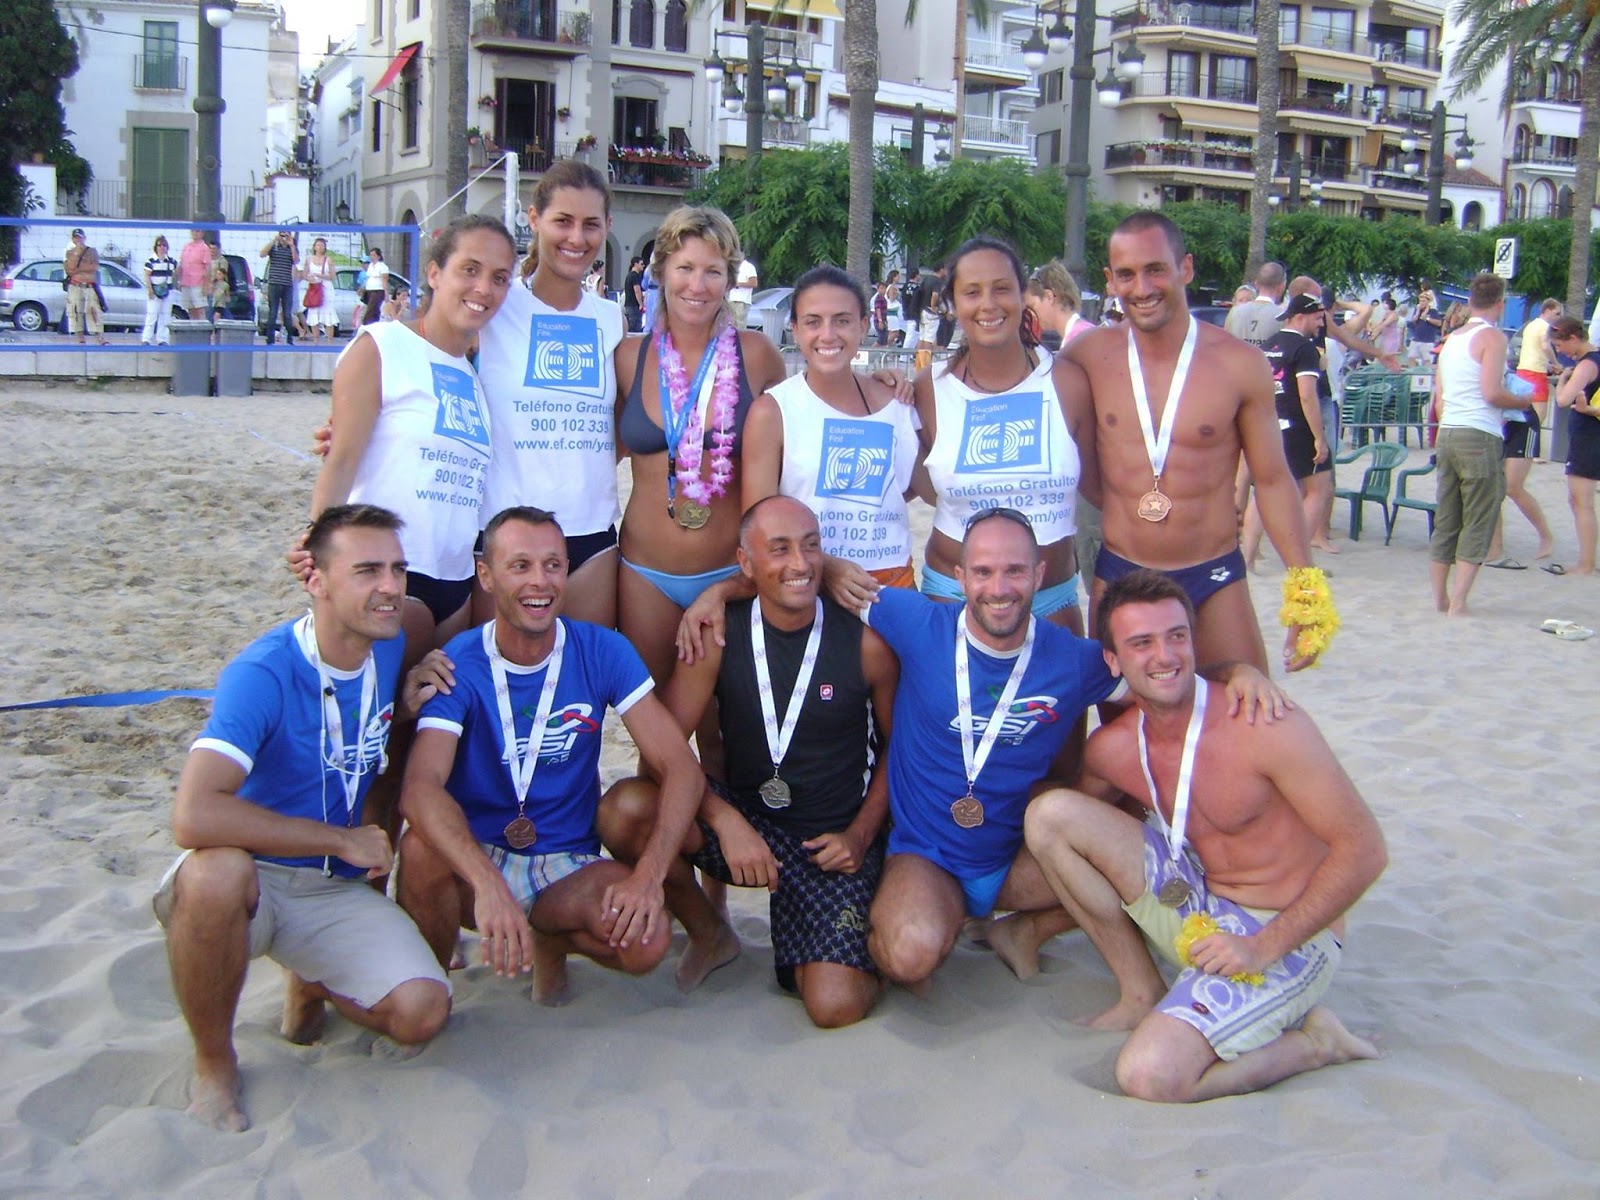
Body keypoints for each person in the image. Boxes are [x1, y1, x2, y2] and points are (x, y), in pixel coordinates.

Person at [860, 510, 1276, 990]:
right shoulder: (918, 621)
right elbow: (818, 582)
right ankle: (932, 916)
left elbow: (1164, 682)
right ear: (959, 578)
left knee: (1127, 860)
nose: (999, 587)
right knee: (909, 955)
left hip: (1023, 858)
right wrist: (829, 568)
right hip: (929, 855)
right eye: (983, 572)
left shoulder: (1075, 659)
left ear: (1038, 574)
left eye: (1015, 570)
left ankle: (1024, 929)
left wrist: (1235, 672)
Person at [1024, 569, 1385, 1102]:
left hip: (1283, 931)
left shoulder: (1263, 724)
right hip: (1196, 894)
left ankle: (1317, 1042)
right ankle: (1138, 988)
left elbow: (1365, 849)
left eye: (1176, 636)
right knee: (1050, 814)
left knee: (1150, 1076)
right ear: (1113, 662)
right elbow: (1072, 841)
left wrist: (1261, 948)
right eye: (1141, 643)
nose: (1164, 656)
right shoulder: (1115, 748)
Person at [154, 504, 454, 1132]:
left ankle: (312, 977)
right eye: (367, 570)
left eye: (398, 569)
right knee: (213, 876)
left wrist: (404, 704)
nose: (390, 587)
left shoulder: (392, 642)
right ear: (315, 579)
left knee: (423, 1011)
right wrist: (340, 838)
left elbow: (354, 737)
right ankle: (214, 1062)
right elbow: (193, 814)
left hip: (328, 889)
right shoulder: (262, 672)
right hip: (253, 882)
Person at [606, 497, 899, 1024]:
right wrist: (725, 818)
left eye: (811, 546)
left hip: (831, 841)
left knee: (834, 1006)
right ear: (746, 564)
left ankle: (845, 935)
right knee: (626, 808)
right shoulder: (717, 635)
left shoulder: (865, 645)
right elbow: (664, 754)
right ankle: (710, 931)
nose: (800, 564)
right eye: (780, 549)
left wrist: (859, 835)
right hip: (747, 825)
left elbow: (898, 754)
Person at [396, 506, 705, 1004]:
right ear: (486, 575)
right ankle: (434, 990)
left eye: (553, 565)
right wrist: (487, 885)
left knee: (646, 943)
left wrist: (647, 879)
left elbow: (681, 769)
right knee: (418, 850)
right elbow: (419, 788)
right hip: (479, 856)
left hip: (565, 859)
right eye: (520, 566)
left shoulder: (602, 649)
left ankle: (548, 938)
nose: (540, 582)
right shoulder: (458, 661)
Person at [1066, 211, 1327, 674]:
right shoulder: (1087, 358)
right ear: (1110, 281)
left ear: (1185, 268)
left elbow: (1271, 479)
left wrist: (1306, 591)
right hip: (1122, 572)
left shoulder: (1239, 364)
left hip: (1212, 574)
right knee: (1126, 735)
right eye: (1126, 274)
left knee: (1246, 722)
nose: (1141, 288)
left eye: (1155, 269)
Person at [307, 215, 517, 663]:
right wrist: (318, 548)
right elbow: (340, 463)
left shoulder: (475, 374)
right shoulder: (382, 346)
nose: (484, 288)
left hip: (455, 583)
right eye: (470, 269)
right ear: (435, 273)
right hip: (392, 575)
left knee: (435, 726)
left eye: (499, 278)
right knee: (386, 726)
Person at [614, 205, 787, 684]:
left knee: (719, 736)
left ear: (729, 280)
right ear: (662, 269)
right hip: (644, 573)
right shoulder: (628, 357)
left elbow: (813, 415)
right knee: (650, 725)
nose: (697, 285)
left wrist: (887, 384)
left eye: (713, 271)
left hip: (729, 575)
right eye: (685, 267)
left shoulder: (758, 356)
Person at [915, 234, 1093, 634]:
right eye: (971, 292)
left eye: (1002, 289)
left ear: (1024, 295)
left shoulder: (1069, 381)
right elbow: (908, 485)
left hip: (1050, 598)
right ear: (953, 304)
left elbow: (1105, 491)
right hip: (952, 595)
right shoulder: (927, 391)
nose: (988, 304)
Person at [481, 161, 629, 628]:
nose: (576, 237)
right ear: (534, 219)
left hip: (591, 534)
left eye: (590, 224)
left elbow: (621, 427)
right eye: (562, 221)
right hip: (509, 535)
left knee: (580, 689)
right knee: (498, 687)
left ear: (607, 227)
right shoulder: (493, 309)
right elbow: (422, 359)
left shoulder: (611, 318)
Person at [740, 265, 922, 592]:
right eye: (813, 322)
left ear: (863, 325)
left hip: (892, 582)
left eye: (842, 320)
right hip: (808, 585)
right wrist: (827, 565)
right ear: (794, 329)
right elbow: (759, 523)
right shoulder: (773, 411)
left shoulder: (895, 401)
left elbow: (905, 487)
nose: (828, 334)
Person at [1430, 273, 1533, 615]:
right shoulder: (1492, 337)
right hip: (1479, 431)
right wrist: (1521, 402)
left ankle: (1440, 597)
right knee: (1479, 515)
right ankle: (1458, 601)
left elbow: (1440, 398)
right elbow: (1491, 392)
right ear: (1500, 304)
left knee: (1448, 516)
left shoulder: (1452, 339)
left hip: (1449, 431)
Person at [1243, 293, 1332, 567]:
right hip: (1297, 426)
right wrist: (1319, 437)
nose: (1321, 325)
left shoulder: (1269, 344)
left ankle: (1246, 557)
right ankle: (1298, 560)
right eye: (1317, 318)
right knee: (1319, 488)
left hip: (1271, 423)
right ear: (1301, 316)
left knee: (1263, 491)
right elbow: (1307, 395)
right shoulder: (1304, 349)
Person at [1549, 316, 1600, 576]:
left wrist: (1562, 382)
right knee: (1578, 499)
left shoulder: (1587, 365)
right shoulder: (1593, 360)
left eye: (1560, 345)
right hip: (1588, 434)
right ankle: (1587, 560)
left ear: (1573, 338)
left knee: (1582, 500)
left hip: (1588, 436)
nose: (1560, 351)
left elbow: (1563, 401)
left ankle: (1586, 563)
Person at [1026, 259, 1092, 355]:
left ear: (1049, 297)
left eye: (1032, 306)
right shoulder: (1083, 334)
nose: (1031, 314)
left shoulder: (1077, 341)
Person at [1223, 261, 1285, 346]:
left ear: (1256, 284)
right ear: (1281, 286)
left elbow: (1225, 343)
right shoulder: (1282, 316)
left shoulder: (1234, 312)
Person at [63, 228, 106, 346]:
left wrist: (79, 269)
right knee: (76, 312)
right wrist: (77, 255)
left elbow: (94, 267)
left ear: (84, 238)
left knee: (94, 311)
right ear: (73, 239)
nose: (79, 240)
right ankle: (80, 338)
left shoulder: (92, 251)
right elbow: (69, 269)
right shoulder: (70, 252)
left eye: (80, 237)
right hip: (76, 285)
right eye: (76, 237)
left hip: (90, 286)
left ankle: (100, 337)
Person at [259, 229, 299, 346]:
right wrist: (273, 241)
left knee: (287, 313)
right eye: (282, 235)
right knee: (273, 312)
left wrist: (291, 245)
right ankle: (270, 338)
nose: (284, 238)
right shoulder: (274, 247)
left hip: (287, 284)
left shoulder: (292, 248)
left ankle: (290, 338)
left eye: (286, 236)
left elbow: (296, 261)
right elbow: (262, 254)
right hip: (274, 283)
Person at [141, 235, 177, 346]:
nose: (162, 247)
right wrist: (150, 289)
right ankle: (146, 339)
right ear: (156, 247)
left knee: (165, 317)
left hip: (167, 292)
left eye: (164, 245)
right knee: (151, 316)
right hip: (155, 293)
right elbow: (147, 275)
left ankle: (163, 339)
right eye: (159, 245)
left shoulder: (172, 262)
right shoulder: (150, 260)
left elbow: (176, 274)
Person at [301, 237, 338, 342]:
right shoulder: (309, 259)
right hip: (314, 288)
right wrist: (310, 279)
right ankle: (315, 340)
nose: (320, 247)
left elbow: (332, 276)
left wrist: (320, 275)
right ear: (314, 247)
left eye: (322, 245)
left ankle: (330, 340)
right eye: (318, 245)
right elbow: (304, 275)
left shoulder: (328, 260)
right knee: (314, 314)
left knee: (328, 314)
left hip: (326, 289)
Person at [177, 228, 215, 320]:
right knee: (190, 309)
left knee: (200, 310)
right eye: (193, 231)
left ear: (202, 233)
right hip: (186, 283)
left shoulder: (204, 248)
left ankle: (203, 331)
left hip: (198, 284)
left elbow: (208, 268)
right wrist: (178, 280)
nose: (194, 233)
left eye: (197, 231)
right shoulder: (186, 247)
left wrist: (206, 285)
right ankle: (193, 331)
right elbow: (181, 264)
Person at [1408, 286, 1443, 365]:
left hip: (1427, 341)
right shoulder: (1418, 310)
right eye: (1420, 301)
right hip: (1416, 339)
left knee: (1427, 360)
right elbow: (1413, 321)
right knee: (1411, 358)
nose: (1421, 303)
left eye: (1423, 301)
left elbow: (1439, 323)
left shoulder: (1433, 311)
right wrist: (1417, 312)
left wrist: (1427, 319)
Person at [360, 248, 390, 326]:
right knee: (373, 310)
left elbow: (384, 280)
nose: (372, 257)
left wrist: (386, 294)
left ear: (379, 256)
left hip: (377, 291)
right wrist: (362, 288)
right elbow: (367, 278)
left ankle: (366, 325)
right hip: (369, 290)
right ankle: (373, 325)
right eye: (371, 255)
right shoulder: (370, 266)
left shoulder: (383, 267)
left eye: (374, 255)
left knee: (371, 310)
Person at [729, 256, 759, 327]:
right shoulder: (733, 267)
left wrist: (737, 284)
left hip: (742, 300)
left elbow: (754, 283)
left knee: (740, 324)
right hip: (731, 299)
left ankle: (740, 338)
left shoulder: (748, 267)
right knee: (731, 324)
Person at [623, 255, 645, 332]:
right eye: (641, 264)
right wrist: (641, 304)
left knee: (630, 327)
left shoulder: (629, 275)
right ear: (636, 264)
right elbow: (637, 291)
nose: (643, 266)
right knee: (635, 327)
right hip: (634, 306)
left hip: (628, 305)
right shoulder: (635, 276)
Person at [207, 259, 233, 323]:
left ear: (224, 275)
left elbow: (227, 294)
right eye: (217, 274)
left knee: (217, 315)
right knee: (213, 315)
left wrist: (227, 299)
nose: (218, 276)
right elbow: (210, 291)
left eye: (220, 274)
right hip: (214, 302)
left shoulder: (225, 285)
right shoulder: (215, 283)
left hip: (220, 303)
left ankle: (215, 329)